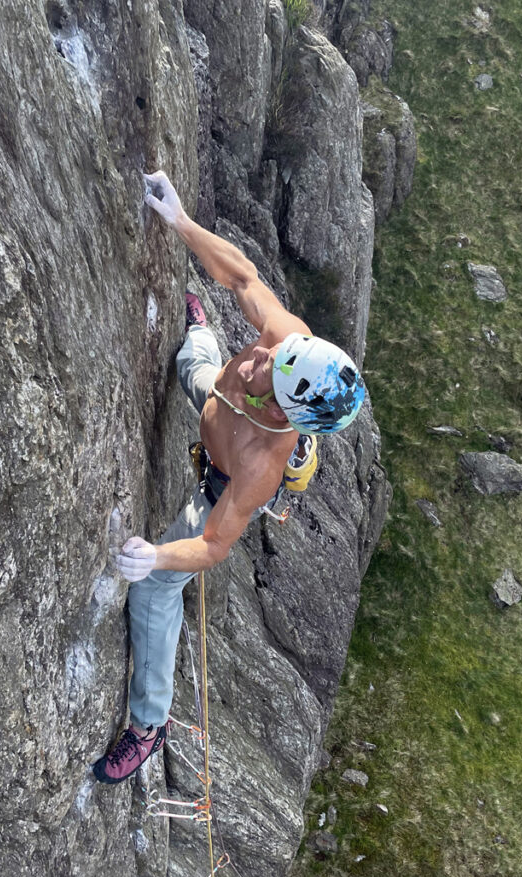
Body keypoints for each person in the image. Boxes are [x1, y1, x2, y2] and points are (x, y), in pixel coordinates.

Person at [92, 171, 367, 784]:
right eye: (277, 350)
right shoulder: (288, 345)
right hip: (214, 400)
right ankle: (198, 335)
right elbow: (243, 276)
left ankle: (148, 724)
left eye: (274, 368)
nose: (265, 351)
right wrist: (182, 222)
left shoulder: (262, 464)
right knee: (197, 362)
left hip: (217, 472)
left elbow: (215, 544)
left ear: (284, 414)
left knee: (156, 593)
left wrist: (158, 556)